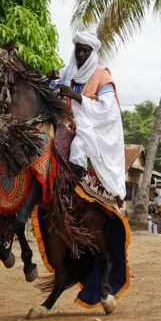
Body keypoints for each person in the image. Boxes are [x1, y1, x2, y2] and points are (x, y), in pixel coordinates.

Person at [47, 31, 125, 200]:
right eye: (78, 50)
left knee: (78, 146)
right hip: (66, 121)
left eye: (85, 51)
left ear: (92, 53)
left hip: (91, 128)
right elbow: (51, 90)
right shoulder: (68, 72)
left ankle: (67, 194)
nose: (80, 54)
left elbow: (108, 111)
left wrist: (78, 97)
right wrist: (50, 78)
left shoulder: (102, 75)